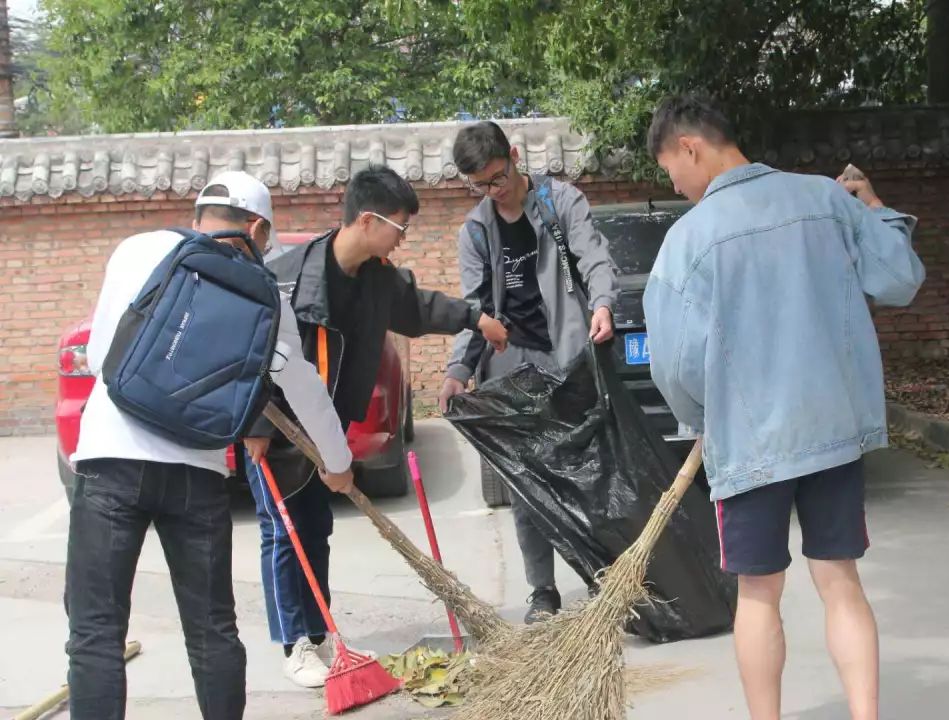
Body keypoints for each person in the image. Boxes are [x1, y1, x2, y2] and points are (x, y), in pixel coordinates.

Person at [643, 94, 925, 720]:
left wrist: (702, 417)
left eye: (670, 169)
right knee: (840, 581)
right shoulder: (825, 200)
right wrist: (875, 207)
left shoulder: (687, 241)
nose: (676, 183)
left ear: (689, 147)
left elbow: (674, 365)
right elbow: (899, 279)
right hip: (833, 430)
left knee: (758, 595)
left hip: (747, 443)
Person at [66, 171, 355, 720]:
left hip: (111, 462)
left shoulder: (138, 249)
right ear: (257, 228)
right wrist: (338, 464)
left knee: (97, 634)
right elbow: (304, 387)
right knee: (212, 631)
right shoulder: (265, 291)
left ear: (199, 214)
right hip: (195, 474)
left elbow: (105, 356)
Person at [242, 166, 509, 688]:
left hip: (327, 426)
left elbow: (420, 306)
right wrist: (253, 422)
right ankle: (293, 643)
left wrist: (476, 318)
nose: (402, 240)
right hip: (274, 425)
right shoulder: (288, 278)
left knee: (315, 527)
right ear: (367, 220)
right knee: (282, 530)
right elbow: (250, 350)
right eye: (399, 228)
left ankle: (319, 634)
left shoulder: (378, 279)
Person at [437, 121, 620, 623]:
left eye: (497, 178)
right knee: (523, 485)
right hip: (510, 366)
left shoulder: (560, 202)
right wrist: (458, 368)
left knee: (586, 475)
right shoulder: (476, 230)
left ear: (513, 156)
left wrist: (601, 304)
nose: (493, 191)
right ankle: (542, 591)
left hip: (567, 357)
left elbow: (595, 258)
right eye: (481, 186)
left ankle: (602, 576)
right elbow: (473, 308)